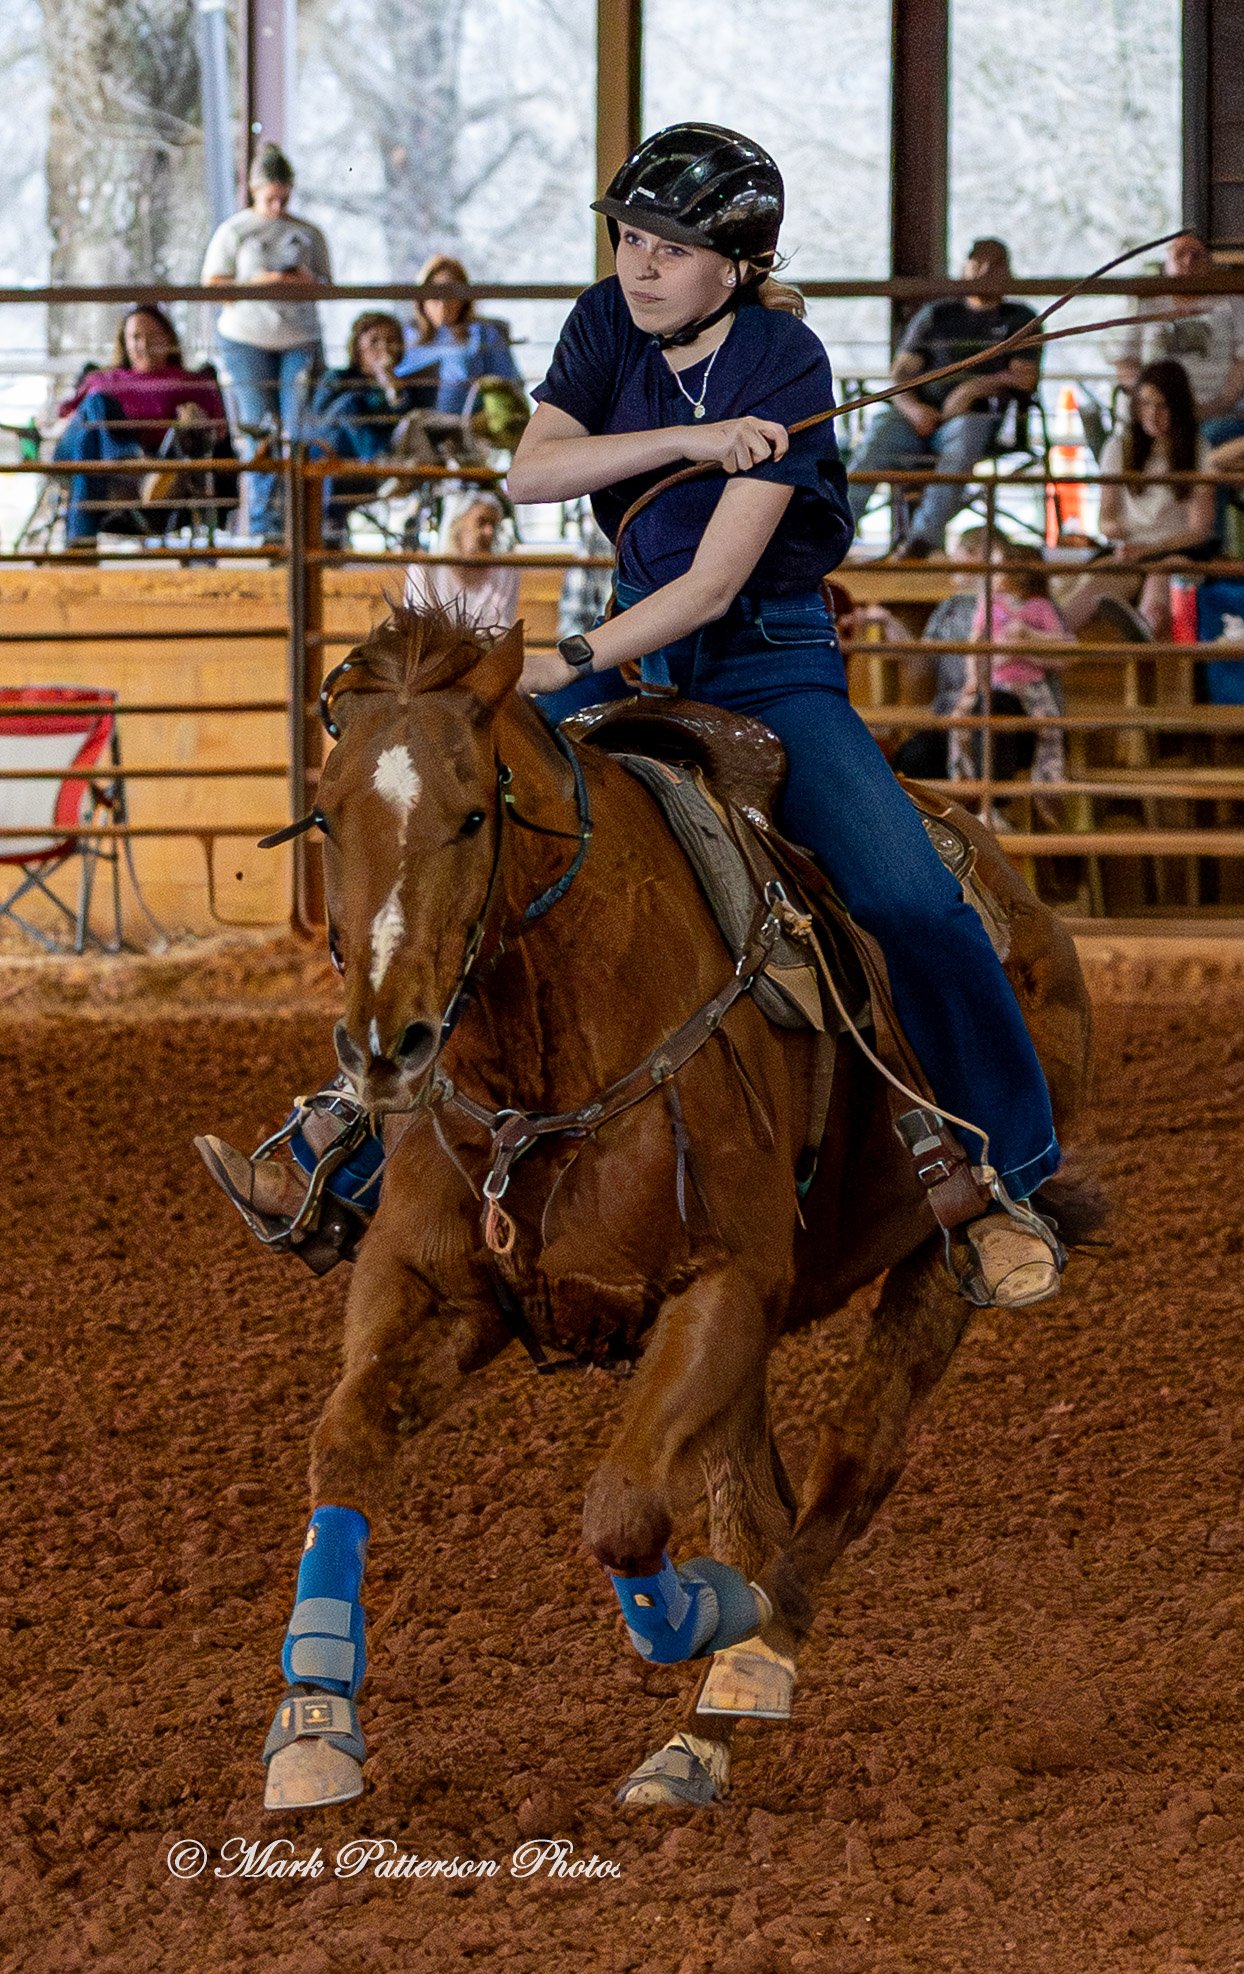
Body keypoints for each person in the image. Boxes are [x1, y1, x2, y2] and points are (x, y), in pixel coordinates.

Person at [197, 124, 1066, 1310]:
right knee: (455, 827)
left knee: (909, 897)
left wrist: (570, 658)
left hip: (765, 669)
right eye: (627, 238)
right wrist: (693, 440)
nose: (638, 263)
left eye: (670, 247)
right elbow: (529, 471)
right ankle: (349, 1124)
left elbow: (710, 587)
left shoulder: (786, 362)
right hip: (620, 648)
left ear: (740, 265)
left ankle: (1008, 1171)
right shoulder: (608, 319)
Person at [847, 239, 1040, 557]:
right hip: (918, 417)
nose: (985, 272)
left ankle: (922, 541)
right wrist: (912, 408)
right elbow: (901, 371)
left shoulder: (1020, 318)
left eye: (995, 265)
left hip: (974, 418)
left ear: (1008, 272)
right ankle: (835, 531)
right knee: (878, 436)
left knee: (964, 440)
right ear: (964, 268)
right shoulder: (936, 314)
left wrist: (970, 390)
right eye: (977, 263)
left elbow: (1023, 376)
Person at [202, 145, 332, 542]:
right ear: (254, 192)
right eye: (268, 197)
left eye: (283, 197)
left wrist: (303, 282)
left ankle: (305, 524)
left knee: (301, 429)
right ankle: (264, 526)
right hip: (247, 340)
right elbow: (214, 288)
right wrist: (260, 283)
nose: (276, 205)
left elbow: (329, 287)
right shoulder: (235, 231)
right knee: (261, 433)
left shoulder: (309, 234)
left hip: (300, 338)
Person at [1060, 358, 1216, 641]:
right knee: (1084, 594)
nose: (1152, 415)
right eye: (1145, 404)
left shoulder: (1198, 450)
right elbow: (1105, 518)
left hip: (1176, 551)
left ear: (1178, 408)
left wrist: (1151, 549)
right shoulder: (1119, 447)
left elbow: (1198, 530)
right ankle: (1047, 644)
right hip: (1129, 552)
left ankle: (1143, 643)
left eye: (1162, 406)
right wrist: (1115, 530)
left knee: (1157, 592)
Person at [51, 305, 232, 544]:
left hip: (149, 463)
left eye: (152, 336)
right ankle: (133, 465)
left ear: (168, 338)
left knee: (90, 445)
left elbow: (217, 433)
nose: (143, 345)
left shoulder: (192, 383)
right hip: (82, 454)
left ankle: (79, 546)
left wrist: (194, 418)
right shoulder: (99, 378)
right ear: (124, 342)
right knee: (96, 404)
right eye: (135, 337)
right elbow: (66, 419)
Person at [841, 525, 992, 780]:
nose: (951, 562)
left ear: (976, 553)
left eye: (958, 553)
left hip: (994, 709)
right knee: (913, 756)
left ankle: (989, 811)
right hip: (951, 714)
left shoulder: (1012, 604)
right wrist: (890, 623)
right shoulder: (950, 608)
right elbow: (923, 663)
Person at [947, 542, 1067, 802]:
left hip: (1031, 684)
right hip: (996, 683)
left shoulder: (1040, 606)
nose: (992, 573)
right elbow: (976, 642)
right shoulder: (990, 604)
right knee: (962, 721)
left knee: (1048, 729)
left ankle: (1047, 787)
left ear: (1019, 574)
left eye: (999, 568)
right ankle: (964, 780)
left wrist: (1026, 641)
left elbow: (1061, 643)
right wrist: (973, 679)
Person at [306, 311, 438, 543]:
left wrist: (391, 389)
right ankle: (378, 461)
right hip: (333, 454)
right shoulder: (337, 378)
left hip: (372, 471)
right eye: (374, 341)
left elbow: (403, 426)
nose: (384, 348)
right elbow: (320, 422)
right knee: (348, 405)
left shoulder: (404, 388)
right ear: (357, 347)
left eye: (391, 341)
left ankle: (378, 464)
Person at [1112, 232, 1244, 425]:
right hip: (1155, 414)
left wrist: (1218, 405)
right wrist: (1152, 403)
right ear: (1167, 262)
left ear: (1209, 263)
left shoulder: (1232, 302)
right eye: (1181, 254)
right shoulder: (1147, 303)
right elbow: (1125, 362)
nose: (1189, 261)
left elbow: (1242, 362)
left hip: (1215, 414)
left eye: (1196, 255)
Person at [397, 254, 523, 414]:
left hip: (469, 423)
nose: (443, 305)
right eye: (435, 296)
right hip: (413, 420)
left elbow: (508, 384)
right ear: (422, 298)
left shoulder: (484, 332)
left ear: (464, 299)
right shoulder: (405, 335)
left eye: (450, 295)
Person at [403, 487, 519, 628]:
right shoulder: (424, 569)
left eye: (493, 525)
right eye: (481, 522)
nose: (489, 532)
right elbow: (420, 630)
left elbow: (502, 631)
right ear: (457, 524)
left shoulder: (505, 572)